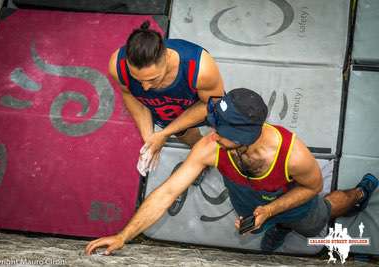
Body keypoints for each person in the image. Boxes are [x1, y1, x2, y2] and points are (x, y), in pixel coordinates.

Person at [85, 88, 378, 255]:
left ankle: (359, 193)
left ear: (245, 135)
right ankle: (274, 226)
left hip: (294, 206)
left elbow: (311, 188)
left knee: (323, 213)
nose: (212, 133)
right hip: (249, 207)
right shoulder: (212, 148)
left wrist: (272, 209)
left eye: (220, 130)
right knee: (260, 223)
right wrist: (124, 235)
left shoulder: (292, 155)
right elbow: (168, 192)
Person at [110, 20, 224, 172]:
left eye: (153, 79)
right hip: (168, 111)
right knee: (185, 135)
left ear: (167, 57)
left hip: (202, 104)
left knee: (227, 131)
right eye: (138, 79)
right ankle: (203, 158)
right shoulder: (117, 67)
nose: (145, 87)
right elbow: (130, 96)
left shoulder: (201, 69)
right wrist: (150, 139)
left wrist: (164, 134)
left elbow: (211, 104)